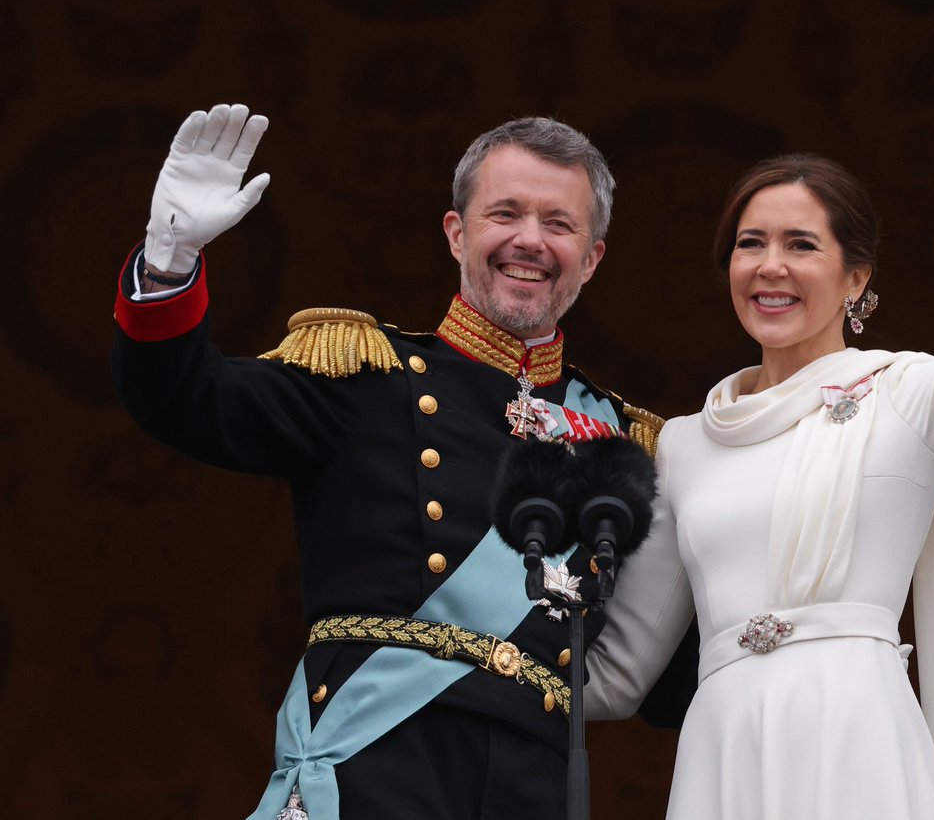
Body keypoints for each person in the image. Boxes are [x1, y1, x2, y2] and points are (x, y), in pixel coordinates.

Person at [584, 26, 934, 819]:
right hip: (724, 750)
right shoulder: (685, 442)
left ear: (856, 274)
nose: (771, 266)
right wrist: (449, 658)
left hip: (855, 735)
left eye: (802, 244)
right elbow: (618, 674)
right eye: (750, 243)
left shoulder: (908, 396)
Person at [112, 109, 671, 819]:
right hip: (375, 773)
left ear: (591, 257)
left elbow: (678, 668)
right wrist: (169, 260)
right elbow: (184, 399)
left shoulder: (624, 444)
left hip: (534, 790)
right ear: (456, 233)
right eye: (505, 213)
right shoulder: (365, 375)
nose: (530, 239)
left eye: (559, 224)